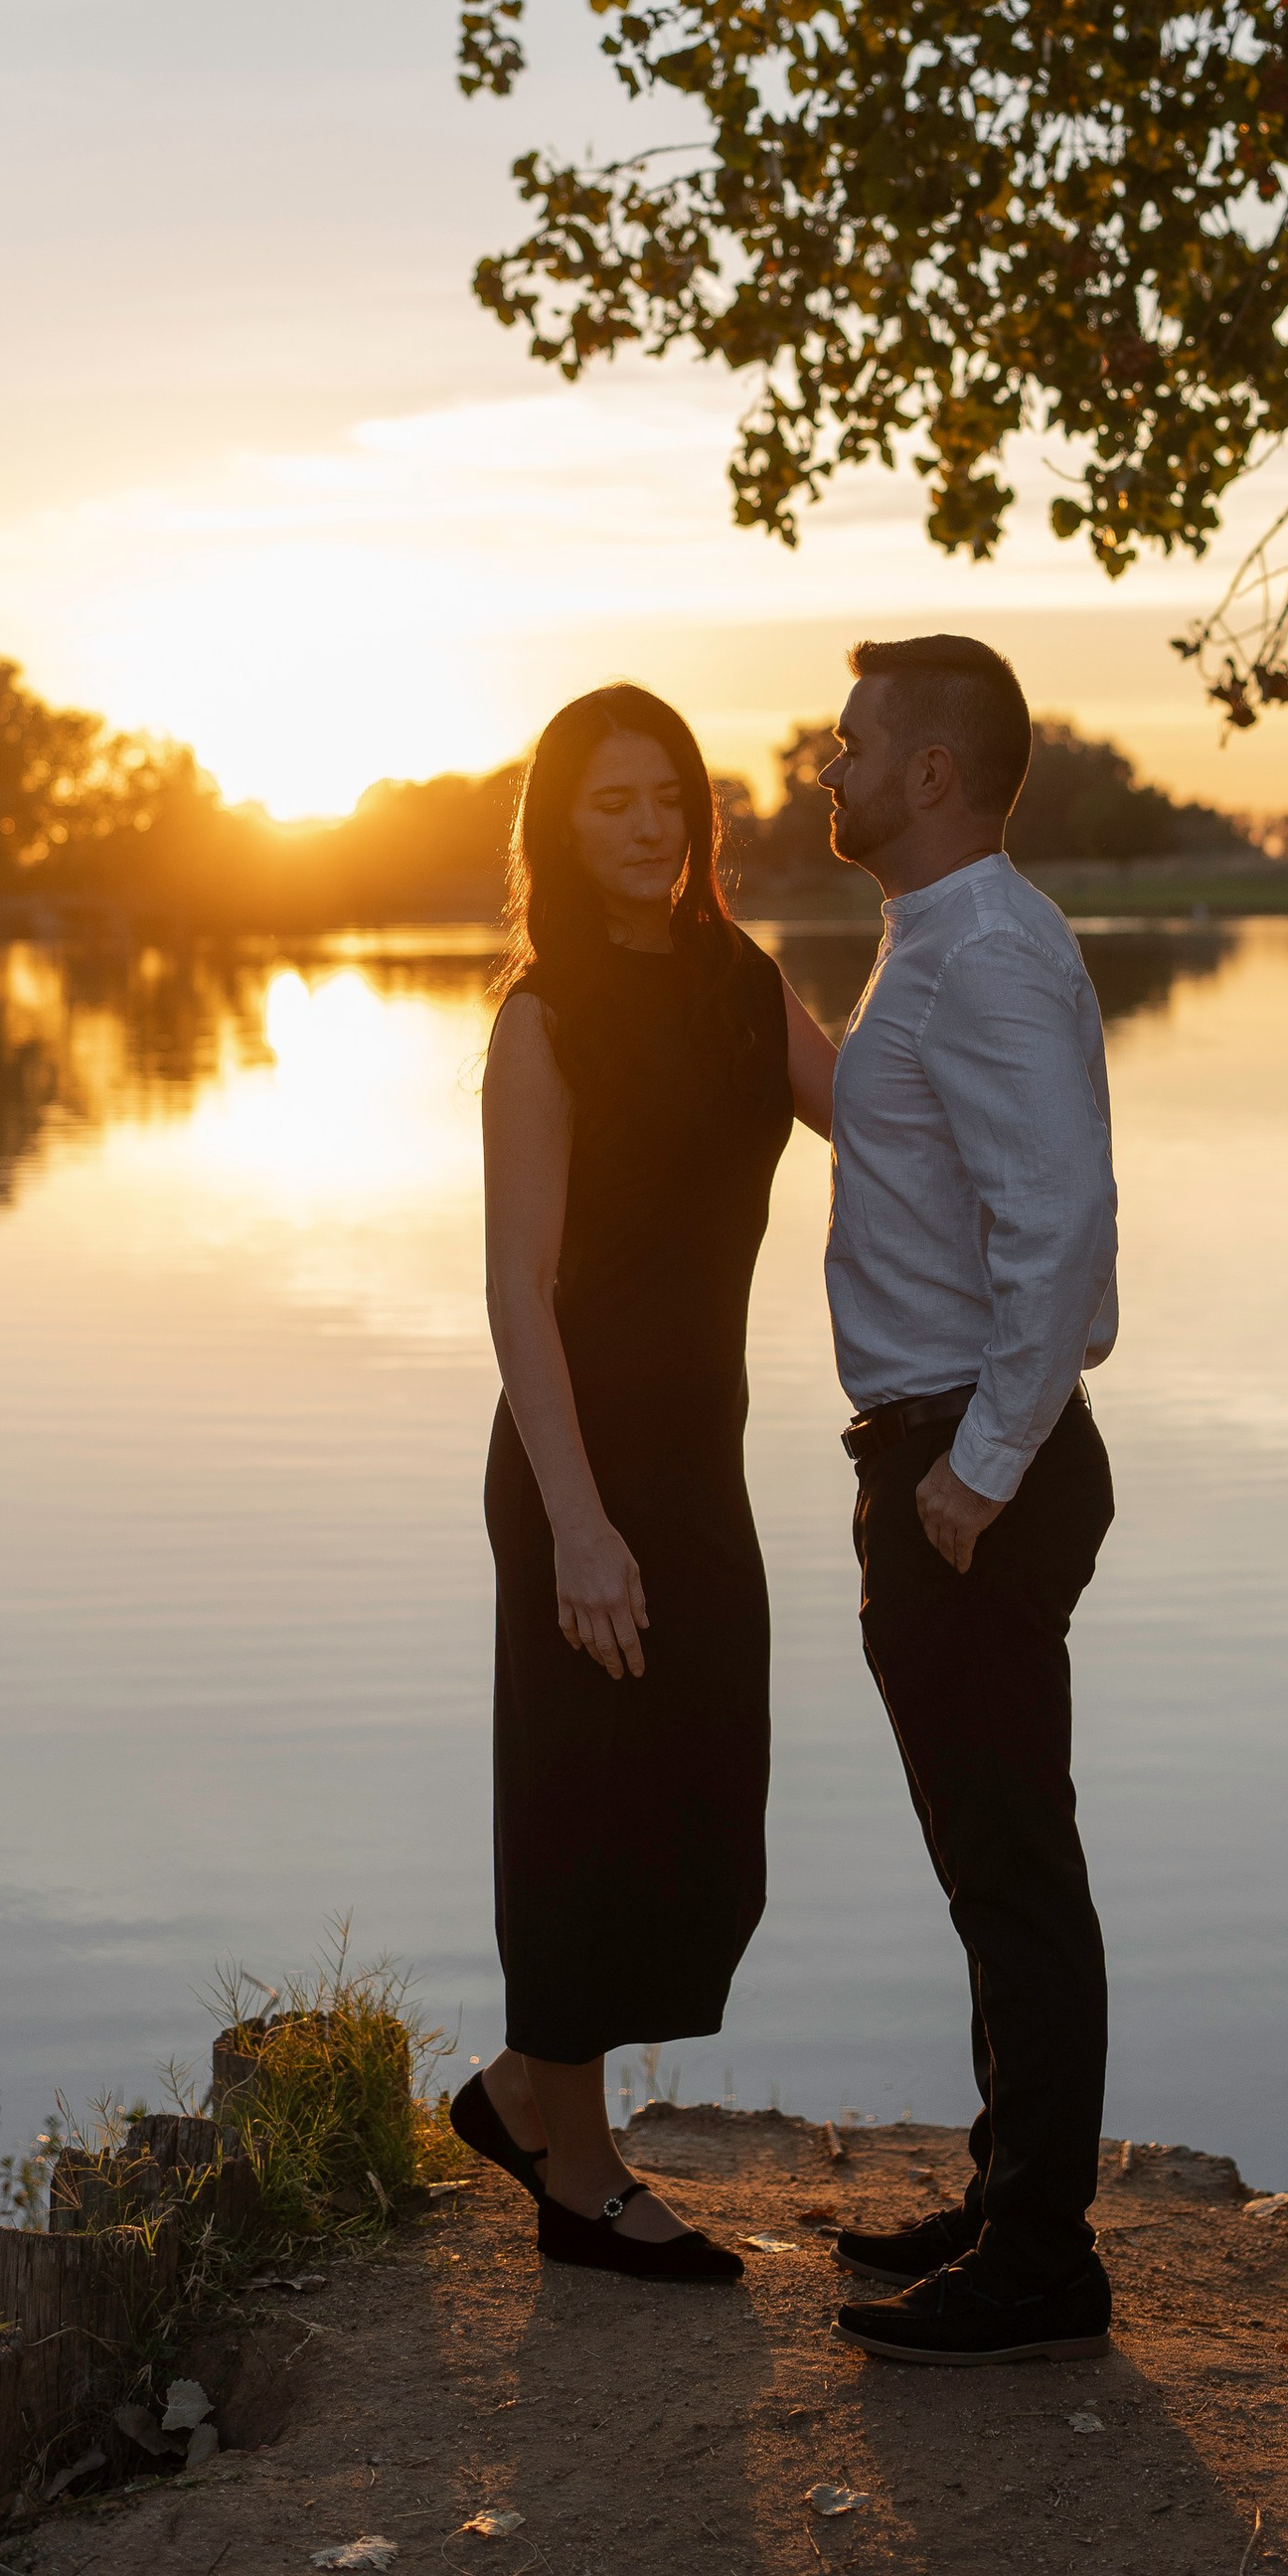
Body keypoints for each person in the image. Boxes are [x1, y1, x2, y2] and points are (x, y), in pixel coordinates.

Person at [453, 683, 837, 2281]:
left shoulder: (741, 984)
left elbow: (865, 1113)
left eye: (669, 796)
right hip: (578, 1468)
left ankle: (513, 2092)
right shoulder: (540, 1022)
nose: (650, 824)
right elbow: (515, 1292)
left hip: (704, 1458)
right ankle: (581, 2179)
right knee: (582, 1814)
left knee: (702, 1801)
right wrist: (580, 1525)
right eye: (613, 801)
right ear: (558, 823)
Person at [817, 635, 1121, 2366]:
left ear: (931, 772)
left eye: (851, 742)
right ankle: (1017, 2202)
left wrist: (977, 1472)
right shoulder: (942, 938)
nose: (827, 767)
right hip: (944, 1450)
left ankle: (1041, 2268)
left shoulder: (986, 949)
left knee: (1013, 1869)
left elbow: (1059, 1228)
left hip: (967, 1468)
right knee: (991, 1864)